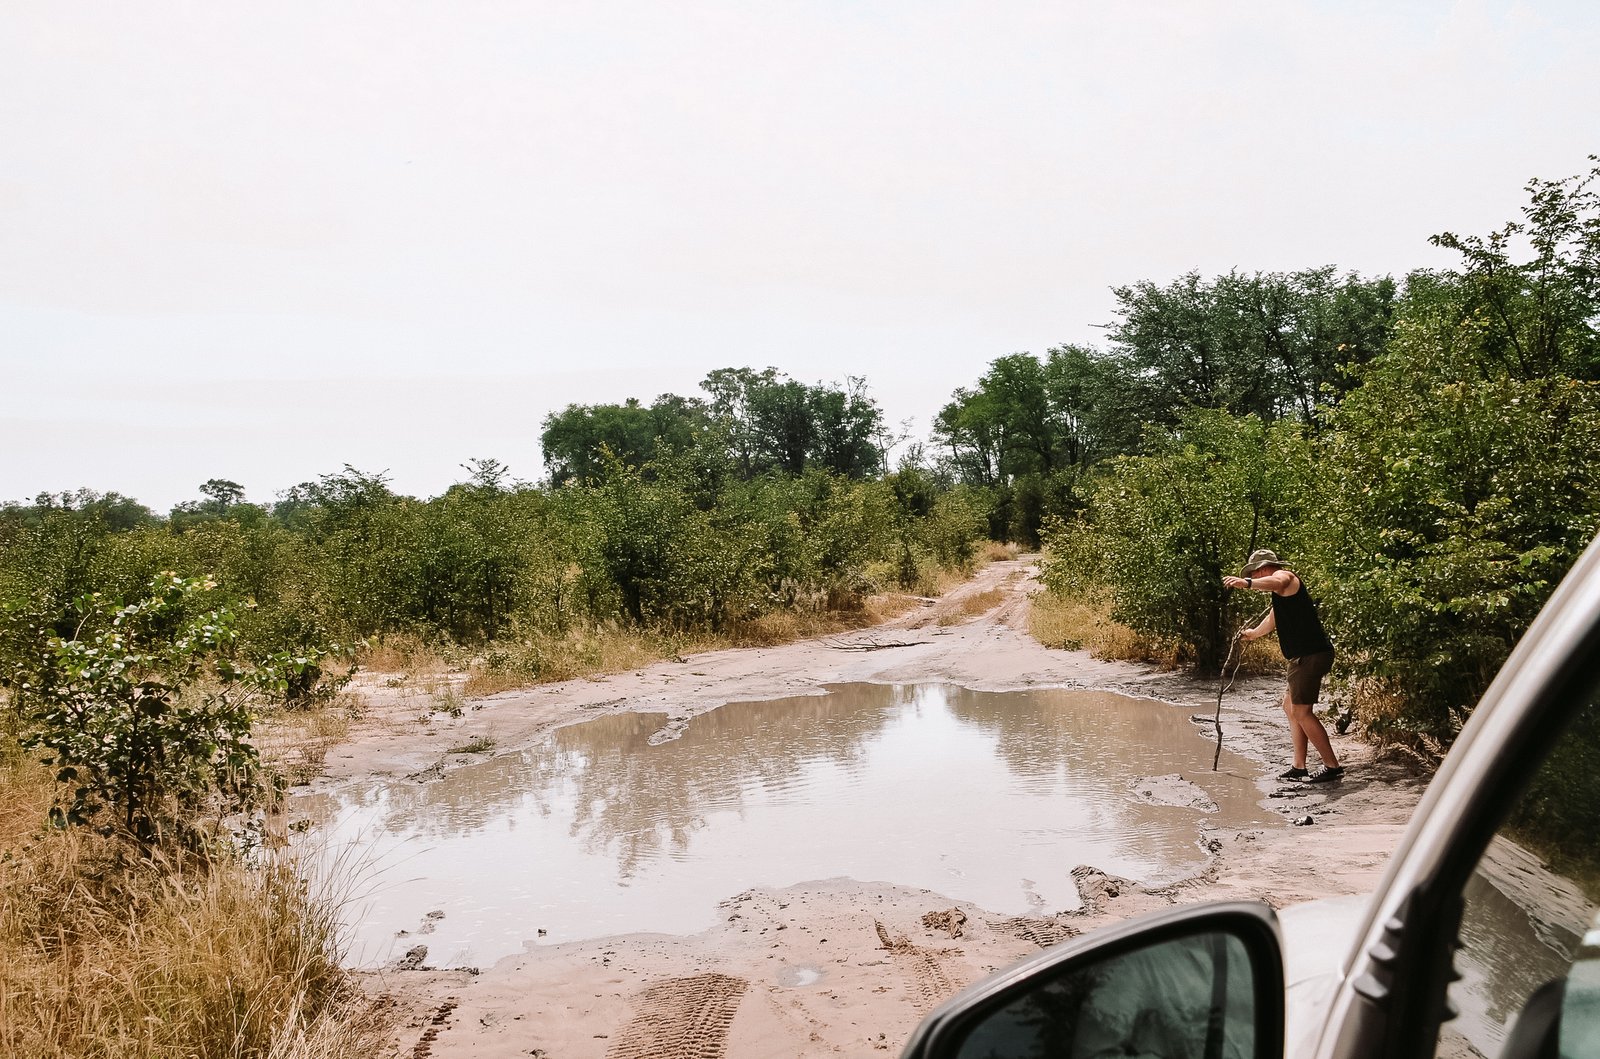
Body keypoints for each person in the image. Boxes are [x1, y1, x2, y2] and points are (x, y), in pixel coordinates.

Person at [1222, 549, 1343, 784]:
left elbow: (1277, 580)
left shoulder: (1285, 578)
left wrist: (1246, 583)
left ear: (1265, 568)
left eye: (1256, 572)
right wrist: (1253, 634)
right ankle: (1299, 767)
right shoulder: (1281, 595)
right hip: (1302, 656)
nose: (1255, 576)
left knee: (1301, 711)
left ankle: (1332, 766)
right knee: (1290, 707)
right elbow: (1273, 618)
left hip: (1310, 655)